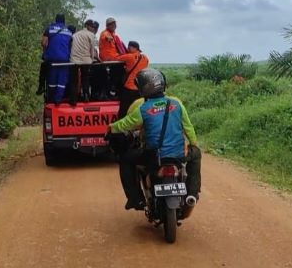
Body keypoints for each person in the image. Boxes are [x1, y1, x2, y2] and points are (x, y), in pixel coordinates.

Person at [106, 69, 202, 212]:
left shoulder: (142, 108)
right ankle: (192, 193)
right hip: (178, 155)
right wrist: (193, 145)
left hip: (153, 157)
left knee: (126, 159)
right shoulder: (177, 104)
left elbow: (124, 124)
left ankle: (135, 198)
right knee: (196, 154)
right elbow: (188, 128)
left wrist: (110, 128)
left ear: (142, 88)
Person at [40, 14, 73, 103]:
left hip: (52, 59)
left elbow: (43, 42)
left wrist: (45, 51)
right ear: (64, 21)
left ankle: (51, 98)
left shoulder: (49, 29)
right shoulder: (69, 32)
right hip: (65, 60)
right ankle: (58, 99)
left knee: (52, 79)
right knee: (62, 80)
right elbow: (71, 46)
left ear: (56, 20)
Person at [115, 41, 149, 117]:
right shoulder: (145, 58)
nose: (128, 49)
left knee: (124, 110)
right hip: (140, 89)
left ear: (133, 48)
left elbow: (116, 59)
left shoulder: (129, 56)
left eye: (129, 47)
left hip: (129, 88)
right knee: (137, 110)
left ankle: (122, 126)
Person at [69, 19, 100, 101]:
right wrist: (93, 58)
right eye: (92, 26)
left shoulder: (75, 35)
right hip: (86, 60)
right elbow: (92, 49)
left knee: (74, 79)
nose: (93, 28)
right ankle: (86, 95)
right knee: (85, 78)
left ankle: (73, 98)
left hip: (74, 59)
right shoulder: (91, 35)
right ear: (87, 26)